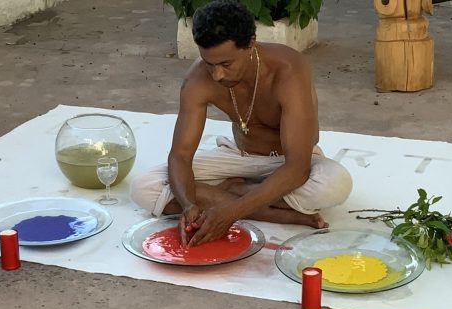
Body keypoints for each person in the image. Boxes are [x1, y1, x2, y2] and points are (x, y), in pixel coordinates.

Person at [131, 0, 352, 246]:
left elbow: (297, 167)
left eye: (226, 64)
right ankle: (270, 211)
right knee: (144, 186)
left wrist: (230, 213)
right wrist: (188, 205)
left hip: (288, 161)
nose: (217, 75)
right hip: (237, 155)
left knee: (336, 183)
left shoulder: (288, 69)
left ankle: (233, 195)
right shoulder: (198, 80)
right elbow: (181, 156)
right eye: (209, 63)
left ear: (250, 43)